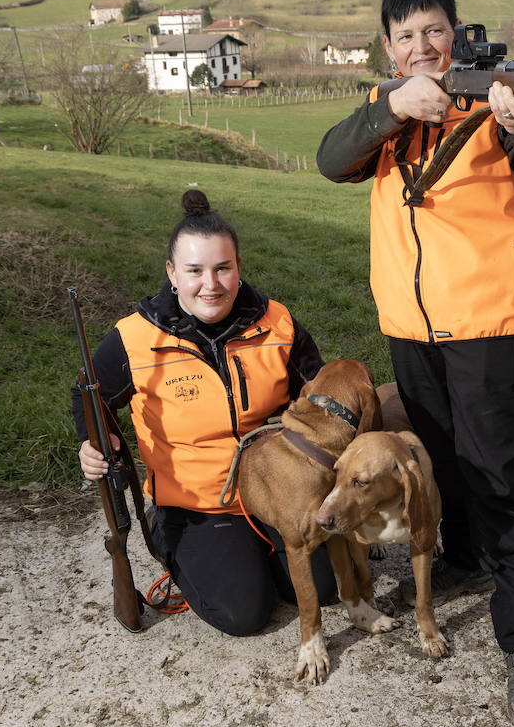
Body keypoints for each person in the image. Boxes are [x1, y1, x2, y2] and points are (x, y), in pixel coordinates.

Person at [316, 0, 514, 727]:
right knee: (432, 466)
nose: (420, 46)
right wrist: (391, 109)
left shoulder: (495, 102)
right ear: (389, 49)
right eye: (404, 37)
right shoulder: (389, 111)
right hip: (409, 328)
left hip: (489, 325)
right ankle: (459, 562)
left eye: (433, 31)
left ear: (457, 33)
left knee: (498, 482)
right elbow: (331, 159)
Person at [73, 189, 333, 637]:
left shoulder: (278, 322)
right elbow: (88, 394)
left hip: (276, 487)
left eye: (222, 268)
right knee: (244, 615)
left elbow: (318, 393)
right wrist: (91, 442)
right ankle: (176, 540)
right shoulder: (134, 338)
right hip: (196, 503)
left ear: (238, 269)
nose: (210, 284)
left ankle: (259, 552)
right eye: (194, 270)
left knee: (327, 590)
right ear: (172, 273)